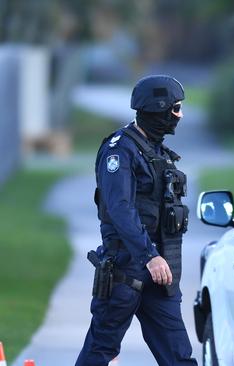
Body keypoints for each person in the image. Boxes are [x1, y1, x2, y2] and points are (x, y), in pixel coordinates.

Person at [76, 75, 197, 365]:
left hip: (160, 271)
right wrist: (149, 256)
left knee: (179, 355)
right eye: (175, 108)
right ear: (159, 108)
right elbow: (120, 209)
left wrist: (158, 259)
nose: (179, 115)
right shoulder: (119, 150)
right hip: (127, 268)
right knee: (101, 349)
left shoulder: (157, 151)